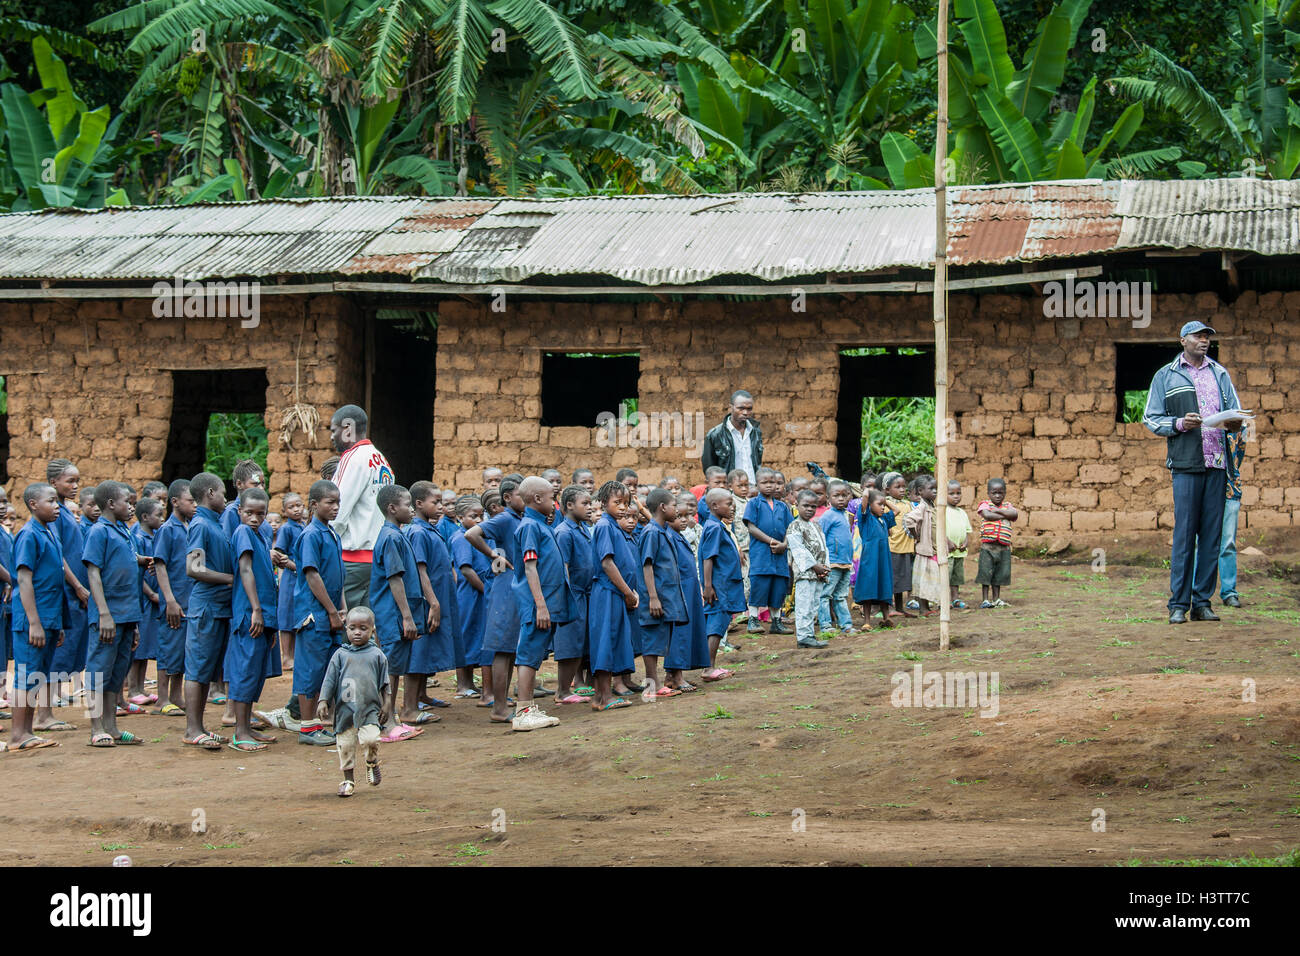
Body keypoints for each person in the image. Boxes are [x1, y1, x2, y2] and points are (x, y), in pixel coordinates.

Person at [1142, 320, 1244, 623]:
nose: (1204, 341)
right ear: (1183, 340)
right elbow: (1150, 418)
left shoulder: (1219, 373)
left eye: (1207, 337)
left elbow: (1235, 410)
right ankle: (1178, 605)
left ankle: (1202, 602)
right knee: (1185, 535)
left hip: (1217, 464)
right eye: (1199, 336)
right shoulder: (1166, 376)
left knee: (1211, 537)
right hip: (1186, 464)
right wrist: (1179, 424)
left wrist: (1235, 422)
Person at [269, 480, 345, 745]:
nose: (336, 507)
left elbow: (338, 575)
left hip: (331, 613)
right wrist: (332, 611)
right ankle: (307, 727)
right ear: (314, 505)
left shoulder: (331, 532)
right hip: (315, 614)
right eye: (330, 503)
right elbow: (312, 575)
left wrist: (341, 607)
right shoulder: (311, 535)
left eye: (337, 502)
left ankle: (317, 723)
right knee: (309, 669)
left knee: (326, 667)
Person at [7, 483, 68, 751]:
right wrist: (34, 622)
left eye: (57, 501)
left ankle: (28, 732)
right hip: (33, 620)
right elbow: (24, 579)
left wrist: (57, 623)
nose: (57, 506)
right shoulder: (29, 534)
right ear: (33, 504)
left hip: (49, 617)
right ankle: (18, 735)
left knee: (37, 676)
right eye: (51, 501)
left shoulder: (48, 532)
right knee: (26, 674)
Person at [509, 476, 571, 731]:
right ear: (536, 499)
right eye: (551, 498)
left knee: (534, 653)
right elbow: (530, 567)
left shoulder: (540, 525)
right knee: (529, 653)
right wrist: (541, 605)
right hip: (537, 603)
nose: (554, 503)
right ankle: (523, 711)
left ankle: (527, 706)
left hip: (544, 601)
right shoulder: (530, 528)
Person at [465, 476, 525, 720]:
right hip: (505, 588)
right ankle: (499, 708)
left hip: (515, 587)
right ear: (508, 498)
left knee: (509, 648)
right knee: (502, 648)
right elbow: (471, 534)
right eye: (522, 494)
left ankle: (503, 703)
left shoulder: (519, 519)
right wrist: (493, 555)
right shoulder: (504, 518)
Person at [182, 472, 234, 751]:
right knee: (197, 668)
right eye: (223, 492)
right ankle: (192, 729)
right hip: (206, 608)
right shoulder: (201, 525)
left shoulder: (215, 523)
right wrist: (229, 579)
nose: (226, 498)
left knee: (207, 669)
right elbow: (194, 568)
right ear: (210, 493)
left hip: (218, 608)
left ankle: (200, 727)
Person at [369, 484, 426, 740]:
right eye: (407, 504)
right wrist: (406, 616)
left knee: (395, 667)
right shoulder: (391, 537)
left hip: (396, 614)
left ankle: (391, 720)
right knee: (390, 670)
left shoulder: (397, 534)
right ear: (392, 508)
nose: (411, 509)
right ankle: (387, 723)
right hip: (392, 615)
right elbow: (395, 579)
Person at [225, 487, 280, 752]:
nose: (254, 518)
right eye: (249, 513)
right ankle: (239, 732)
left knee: (255, 672)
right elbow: (245, 570)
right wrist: (256, 609)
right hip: (250, 614)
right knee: (245, 671)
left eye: (260, 514)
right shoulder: (243, 532)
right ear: (240, 512)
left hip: (265, 614)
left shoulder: (259, 536)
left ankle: (247, 728)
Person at [318, 607, 389, 798]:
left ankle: (372, 762)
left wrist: (387, 704)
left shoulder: (377, 655)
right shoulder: (340, 654)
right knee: (346, 746)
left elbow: (385, 682)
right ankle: (348, 780)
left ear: (372, 630)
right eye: (352, 628)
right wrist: (323, 700)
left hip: (370, 709)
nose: (357, 632)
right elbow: (329, 680)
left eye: (363, 628)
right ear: (346, 629)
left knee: (371, 739)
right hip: (345, 711)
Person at [330, 404, 394, 610]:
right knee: (366, 627)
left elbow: (336, 510)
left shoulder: (353, 457)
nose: (332, 437)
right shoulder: (382, 461)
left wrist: (324, 545)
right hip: (376, 558)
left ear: (347, 428)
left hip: (351, 558)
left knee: (344, 625)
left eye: (334, 430)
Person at [588, 481, 639, 711]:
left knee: (611, 640)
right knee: (605, 642)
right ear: (603, 503)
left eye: (626, 503)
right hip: (608, 592)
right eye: (617, 502)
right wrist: (627, 592)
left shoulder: (614, 526)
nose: (623, 507)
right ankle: (604, 696)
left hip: (615, 593)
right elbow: (607, 563)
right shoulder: (605, 526)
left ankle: (600, 696)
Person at [48, 459, 90, 732]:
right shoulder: (55, 515)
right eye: (69, 481)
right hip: (65, 591)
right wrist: (76, 586)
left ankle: (53, 699)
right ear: (54, 483)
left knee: (72, 646)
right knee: (59, 648)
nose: (75, 486)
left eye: (77, 481)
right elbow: (58, 555)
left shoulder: (64, 512)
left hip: (75, 594)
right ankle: (46, 707)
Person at [407, 481, 455, 714]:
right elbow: (420, 569)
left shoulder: (430, 528)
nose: (441, 507)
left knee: (428, 649)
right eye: (435, 502)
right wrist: (433, 602)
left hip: (438, 597)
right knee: (420, 649)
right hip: (427, 600)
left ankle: (422, 695)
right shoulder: (417, 532)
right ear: (418, 504)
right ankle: (410, 705)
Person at [636, 489, 687, 696]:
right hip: (655, 598)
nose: (677, 510)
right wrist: (653, 598)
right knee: (652, 640)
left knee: (659, 639)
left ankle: (657, 684)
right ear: (663, 507)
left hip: (666, 597)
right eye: (674, 505)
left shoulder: (662, 531)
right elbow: (647, 566)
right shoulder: (651, 533)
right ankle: (651, 686)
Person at [151, 479, 194, 717]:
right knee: (168, 648)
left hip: (187, 601)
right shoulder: (167, 530)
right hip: (174, 601)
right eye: (190, 500)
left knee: (180, 649)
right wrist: (169, 600)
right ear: (175, 502)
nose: (195, 505)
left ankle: (177, 695)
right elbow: (160, 565)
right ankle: (163, 698)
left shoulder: (188, 527)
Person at [554, 485, 594, 704]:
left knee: (582, 641)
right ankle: (562, 690)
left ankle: (572, 687)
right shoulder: (564, 532)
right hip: (574, 594)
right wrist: (567, 596)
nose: (589, 508)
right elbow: (564, 567)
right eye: (585, 504)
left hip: (587, 594)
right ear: (569, 505)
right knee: (570, 642)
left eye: (590, 504)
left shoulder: (582, 529)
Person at [698, 487, 743, 682]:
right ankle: (709, 668)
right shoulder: (714, 527)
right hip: (719, 587)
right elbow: (708, 558)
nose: (733, 507)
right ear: (715, 506)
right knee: (717, 624)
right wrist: (708, 586)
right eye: (729, 503)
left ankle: (710, 665)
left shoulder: (716, 525)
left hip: (722, 584)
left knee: (717, 623)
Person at [665, 503, 710, 691]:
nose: (684, 520)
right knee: (679, 634)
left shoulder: (679, 536)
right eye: (678, 516)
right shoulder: (668, 537)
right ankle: (676, 676)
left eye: (687, 516)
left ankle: (673, 676)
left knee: (688, 631)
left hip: (689, 588)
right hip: (679, 590)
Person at [743, 467, 793, 635]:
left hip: (780, 555)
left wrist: (784, 544)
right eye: (765, 483)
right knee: (759, 584)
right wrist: (771, 541)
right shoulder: (754, 504)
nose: (770, 486)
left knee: (778, 586)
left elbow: (790, 528)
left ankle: (776, 621)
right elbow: (751, 527)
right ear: (757, 484)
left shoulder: (783, 506)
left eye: (773, 482)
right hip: (761, 554)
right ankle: (753, 619)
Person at [450, 495, 491, 700]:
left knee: (480, 634)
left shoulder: (480, 536)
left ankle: (472, 684)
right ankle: (463, 684)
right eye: (473, 516)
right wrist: (485, 589)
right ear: (459, 517)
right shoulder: (461, 538)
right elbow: (466, 569)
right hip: (470, 593)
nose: (478, 520)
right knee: (467, 634)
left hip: (480, 592)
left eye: (481, 515)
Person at [124, 498, 164, 709]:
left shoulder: (155, 536)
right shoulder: (137, 538)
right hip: (145, 600)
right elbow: (136, 573)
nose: (162, 519)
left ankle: (140, 688)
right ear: (146, 517)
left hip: (154, 599)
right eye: (158, 515)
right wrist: (150, 594)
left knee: (147, 645)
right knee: (137, 648)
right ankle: (132, 689)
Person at [785, 490, 830, 649]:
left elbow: (824, 547)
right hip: (805, 574)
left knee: (813, 605)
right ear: (797, 505)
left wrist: (825, 567)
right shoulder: (794, 526)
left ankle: (809, 635)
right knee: (804, 604)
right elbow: (798, 550)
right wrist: (815, 566)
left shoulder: (816, 525)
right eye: (805, 505)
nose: (810, 509)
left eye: (813, 506)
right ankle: (803, 635)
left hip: (818, 574)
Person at [272, 493, 307, 672]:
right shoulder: (286, 529)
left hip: (301, 578)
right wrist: (295, 567)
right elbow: (279, 556)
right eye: (291, 507)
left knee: (297, 616)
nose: (296, 509)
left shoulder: (303, 526)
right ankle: (286, 657)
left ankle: (294, 655)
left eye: (299, 505)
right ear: (284, 511)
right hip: (290, 578)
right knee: (286, 617)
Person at [852, 489, 895, 629]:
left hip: (883, 560)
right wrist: (869, 492)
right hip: (869, 560)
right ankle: (867, 622)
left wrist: (883, 500)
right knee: (868, 588)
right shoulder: (866, 519)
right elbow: (865, 497)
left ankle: (886, 618)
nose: (883, 507)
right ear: (870, 505)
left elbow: (897, 510)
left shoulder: (883, 520)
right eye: (879, 504)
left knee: (884, 586)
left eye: (883, 505)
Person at [817, 480, 855, 635]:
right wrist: (822, 562)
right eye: (836, 495)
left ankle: (846, 624)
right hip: (832, 563)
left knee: (841, 596)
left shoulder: (846, 515)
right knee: (825, 594)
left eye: (844, 495)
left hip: (845, 563)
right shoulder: (828, 516)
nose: (841, 499)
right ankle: (825, 625)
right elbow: (820, 538)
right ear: (828, 498)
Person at [903, 476, 943, 616]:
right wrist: (916, 535)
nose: (935, 491)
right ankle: (923, 608)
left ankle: (928, 606)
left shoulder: (932, 506)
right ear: (920, 491)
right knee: (924, 581)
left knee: (930, 579)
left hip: (934, 549)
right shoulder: (922, 507)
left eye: (936, 488)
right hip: (926, 550)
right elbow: (909, 520)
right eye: (931, 489)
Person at [702, 390, 762, 483]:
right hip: (729, 490)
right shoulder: (715, 434)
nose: (745, 412)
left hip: (753, 489)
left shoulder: (755, 432)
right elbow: (709, 469)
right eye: (741, 408)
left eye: (749, 409)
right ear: (731, 407)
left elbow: (757, 463)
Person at [975, 478, 1018, 608]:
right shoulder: (985, 504)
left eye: (1000, 493)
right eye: (994, 493)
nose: (997, 495)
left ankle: (996, 599)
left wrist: (998, 511)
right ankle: (985, 600)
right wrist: (1005, 515)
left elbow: (1014, 514)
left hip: (1003, 548)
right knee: (985, 573)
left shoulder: (1008, 505)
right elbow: (987, 515)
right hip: (988, 547)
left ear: (1005, 493)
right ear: (988, 493)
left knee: (1000, 574)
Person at [1219, 428, 1247, 608]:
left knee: (1228, 542)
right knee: (1199, 541)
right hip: (1203, 487)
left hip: (1230, 488)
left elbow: (1240, 453)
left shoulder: (1240, 425)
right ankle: (1195, 591)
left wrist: (1232, 473)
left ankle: (1229, 592)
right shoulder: (1202, 419)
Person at [221, 460, 271, 543]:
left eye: (262, 484)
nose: (261, 488)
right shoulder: (232, 512)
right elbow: (228, 545)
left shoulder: (262, 516)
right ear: (239, 484)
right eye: (255, 484)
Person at [945, 481, 973, 610]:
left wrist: (965, 543)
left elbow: (967, 531)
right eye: (951, 494)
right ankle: (944, 600)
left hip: (959, 552)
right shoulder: (942, 511)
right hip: (948, 552)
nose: (956, 496)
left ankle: (955, 598)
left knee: (957, 577)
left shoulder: (962, 512)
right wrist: (947, 542)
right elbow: (939, 530)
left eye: (958, 493)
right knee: (946, 577)